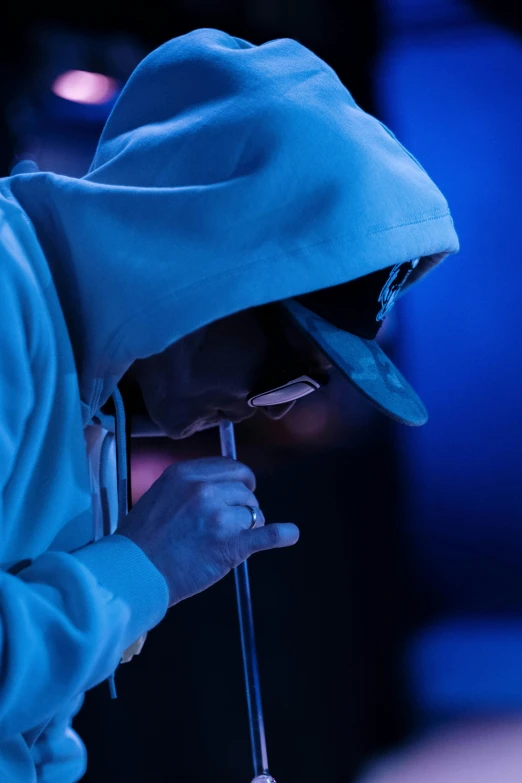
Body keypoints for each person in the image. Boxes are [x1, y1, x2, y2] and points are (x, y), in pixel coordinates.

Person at [0, 27, 458, 783]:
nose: (273, 409)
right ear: (209, 265)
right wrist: (139, 567)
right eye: (290, 363)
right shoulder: (13, 306)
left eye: (314, 384)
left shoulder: (76, 372)